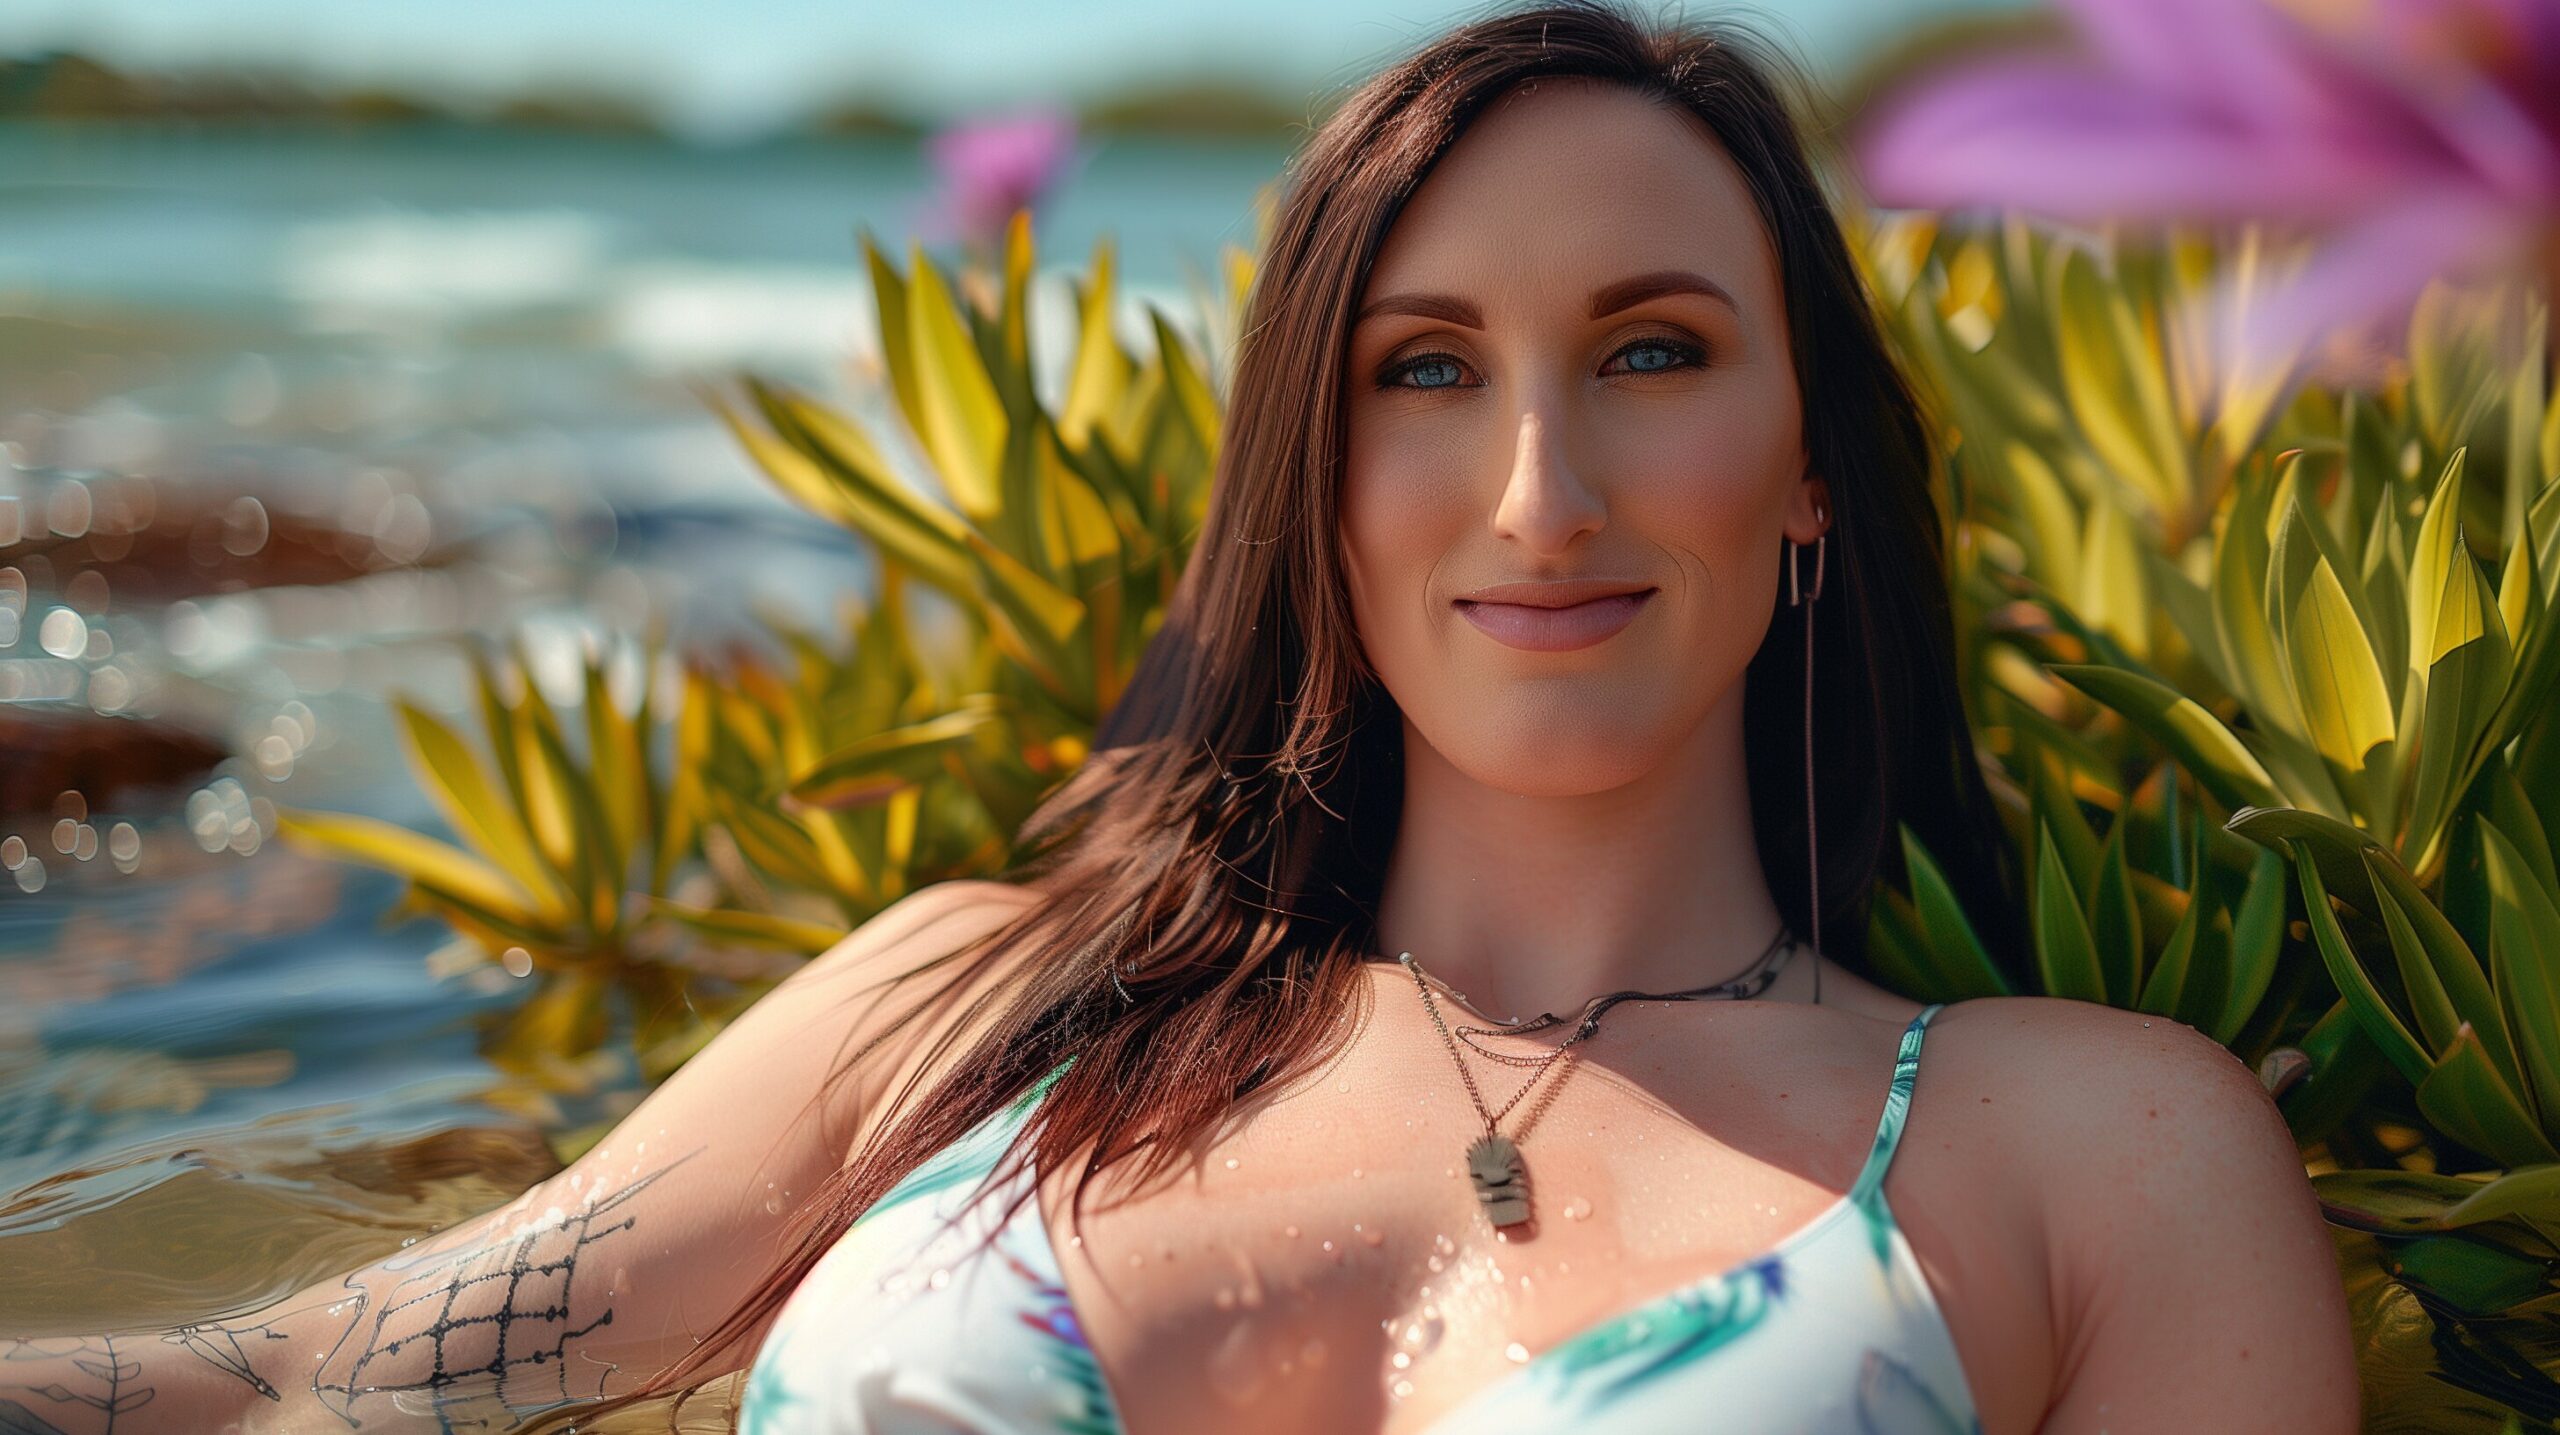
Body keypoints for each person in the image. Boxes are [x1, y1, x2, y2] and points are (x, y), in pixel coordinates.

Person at [0, 3, 2358, 1432]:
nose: (1540, 491)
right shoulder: (979, 999)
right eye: (1419, 372)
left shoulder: (2090, 1156)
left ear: (1812, 465)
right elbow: (311, 1373)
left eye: (1650, 352)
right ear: (1311, 480)